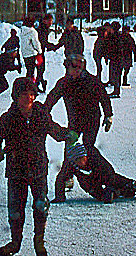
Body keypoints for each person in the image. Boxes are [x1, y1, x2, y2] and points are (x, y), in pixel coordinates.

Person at [0, 77, 76, 256]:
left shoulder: (40, 115)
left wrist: (68, 134)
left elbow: (54, 130)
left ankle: (39, 240)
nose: (29, 98)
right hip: (16, 170)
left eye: (32, 94)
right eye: (25, 94)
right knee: (16, 209)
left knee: (41, 205)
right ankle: (15, 242)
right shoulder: (8, 118)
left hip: (38, 169)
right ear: (16, 97)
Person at [45, 53, 114, 203]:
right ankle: (68, 176)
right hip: (75, 123)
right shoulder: (64, 83)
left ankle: (95, 176)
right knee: (70, 150)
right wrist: (43, 113)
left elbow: (104, 97)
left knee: (88, 148)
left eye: (77, 68)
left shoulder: (92, 81)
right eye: (71, 68)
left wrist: (108, 115)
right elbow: (52, 98)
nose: (74, 71)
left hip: (92, 121)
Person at [62, 141, 136, 203]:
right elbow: (61, 178)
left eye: (83, 158)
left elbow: (109, 172)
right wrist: (59, 197)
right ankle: (119, 192)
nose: (81, 162)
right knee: (102, 197)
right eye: (78, 160)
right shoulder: (72, 164)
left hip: (104, 175)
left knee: (118, 180)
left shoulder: (95, 158)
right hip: (90, 182)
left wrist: (109, 188)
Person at [20, 17, 43, 86]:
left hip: (24, 54)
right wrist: (39, 51)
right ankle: (30, 86)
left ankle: (28, 84)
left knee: (28, 71)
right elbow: (36, 43)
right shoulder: (32, 32)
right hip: (32, 53)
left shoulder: (22, 31)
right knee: (32, 72)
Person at [36, 13, 54, 91]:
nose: (51, 23)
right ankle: (37, 85)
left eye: (52, 21)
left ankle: (39, 83)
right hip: (38, 53)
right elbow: (43, 41)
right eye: (49, 21)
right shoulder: (42, 29)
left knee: (41, 69)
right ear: (44, 21)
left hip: (40, 52)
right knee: (40, 69)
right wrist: (52, 46)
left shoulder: (45, 28)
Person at [119, 22, 136, 87]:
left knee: (126, 69)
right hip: (122, 55)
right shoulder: (121, 37)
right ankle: (121, 81)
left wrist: (135, 54)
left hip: (127, 55)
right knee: (122, 69)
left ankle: (124, 80)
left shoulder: (129, 38)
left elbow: (133, 46)